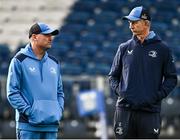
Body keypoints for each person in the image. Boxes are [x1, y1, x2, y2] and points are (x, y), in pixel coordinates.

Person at [108, 6, 177, 139]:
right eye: (129, 23)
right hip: (124, 111)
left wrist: (156, 96)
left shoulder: (163, 49)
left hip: (150, 112)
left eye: (134, 22)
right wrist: (121, 92)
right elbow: (112, 76)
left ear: (146, 23)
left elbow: (171, 79)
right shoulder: (123, 48)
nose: (131, 26)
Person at [6, 22, 64, 139]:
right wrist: (30, 112)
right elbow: (12, 93)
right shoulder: (19, 60)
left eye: (51, 35)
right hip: (28, 126)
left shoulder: (54, 63)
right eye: (46, 35)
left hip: (51, 126)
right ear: (34, 37)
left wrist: (58, 110)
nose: (50, 38)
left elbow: (59, 92)